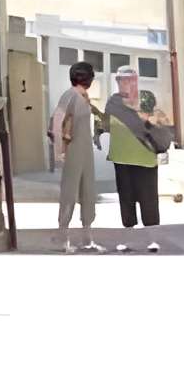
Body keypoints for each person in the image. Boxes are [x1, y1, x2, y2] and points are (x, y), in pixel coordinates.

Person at [103, 68, 174, 252]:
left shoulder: (146, 100)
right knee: (126, 201)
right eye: (122, 80)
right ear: (117, 82)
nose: (127, 83)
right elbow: (107, 124)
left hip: (145, 158)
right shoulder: (113, 103)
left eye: (131, 80)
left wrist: (148, 118)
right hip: (122, 159)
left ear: (136, 81)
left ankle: (152, 239)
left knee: (149, 201)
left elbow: (161, 121)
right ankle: (128, 239)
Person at [51, 60, 102, 253]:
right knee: (69, 192)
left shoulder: (83, 96)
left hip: (85, 150)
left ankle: (87, 237)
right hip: (72, 150)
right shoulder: (70, 95)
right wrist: (58, 152)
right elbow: (57, 121)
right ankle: (62, 237)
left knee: (88, 191)